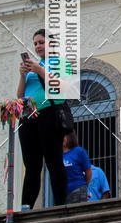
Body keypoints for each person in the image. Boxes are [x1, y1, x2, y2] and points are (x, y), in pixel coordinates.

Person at [17, 28, 71, 210]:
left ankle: (60, 204)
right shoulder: (32, 69)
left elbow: (63, 86)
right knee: (31, 166)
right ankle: (26, 205)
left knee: (53, 160)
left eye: (41, 42)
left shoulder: (60, 63)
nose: (38, 46)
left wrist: (40, 70)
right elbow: (20, 98)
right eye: (35, 44)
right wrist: (23, 76)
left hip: (49, 114)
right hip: (29, 116)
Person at [62, 130, 92, 204]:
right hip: (63, 193)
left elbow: (88, 171)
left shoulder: (78, 151)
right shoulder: (57, 155)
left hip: (78, 190)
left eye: (64, 136)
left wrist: (84, 186)